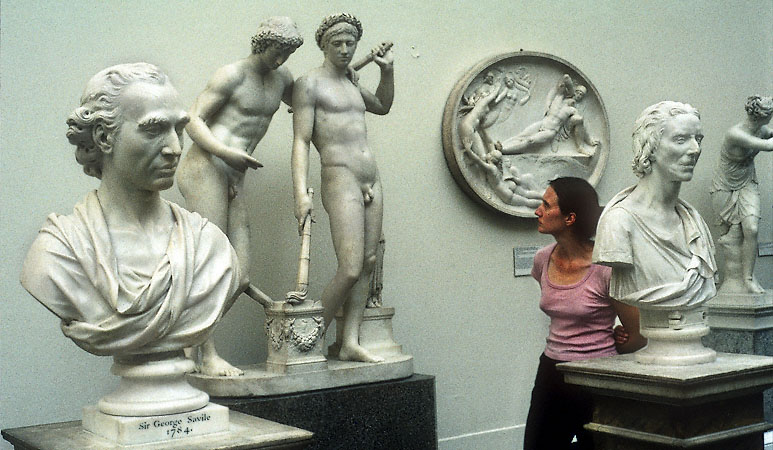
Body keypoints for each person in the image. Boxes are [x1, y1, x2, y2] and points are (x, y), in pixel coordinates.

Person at [21, 63, 243, 358]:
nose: (175, 148)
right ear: (103, 137)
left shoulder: (209, 247)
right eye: (154, 130)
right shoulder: (56, 253)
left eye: (178, 129)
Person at [176, 17, 303, 376]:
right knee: (210, 262)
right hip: (206, 167)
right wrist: (225, 152)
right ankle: (206, 353)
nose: (281, 59)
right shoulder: (231, 74)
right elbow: (192, 119)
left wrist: (343, 74)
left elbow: (309, 103)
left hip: (234, 176)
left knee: (240, 271)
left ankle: (188, 342)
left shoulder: (283, 79)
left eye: (288, 53)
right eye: (278, 51)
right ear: (262, 43)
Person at [291, 13, 394, 363]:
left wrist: (387, 71)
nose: (345, 49)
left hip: (371, 176)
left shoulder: (352, 82)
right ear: (323, 45)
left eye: (350, 43)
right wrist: (300, 192)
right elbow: (301, 141)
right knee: (349, 266)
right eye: (337, 43)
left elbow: (382, 106)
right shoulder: (309, 84)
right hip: (339, 175)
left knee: (367, 262)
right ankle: (307, 340)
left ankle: (348, 340)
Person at [524, 177, 645, 450]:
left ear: (570, 218)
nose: (537, 211)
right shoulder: (542, 259)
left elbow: (638, 336)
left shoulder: (606, 267)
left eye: (546, 205)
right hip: (551, 373)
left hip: (597, 377)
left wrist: (619, 338)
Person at [710, 96, 773, 294]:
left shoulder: (761, 130)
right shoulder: (735, 134)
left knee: (751, 228)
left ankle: (748, 279)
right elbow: (769, 145)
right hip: (725, 185)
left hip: (747, 182)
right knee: (729, 237)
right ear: (762, 116)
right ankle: (732, 281)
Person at [498, 74, 599, 155]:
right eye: (578, 92)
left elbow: (581, 125)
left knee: (530, 140)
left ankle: (504, 151)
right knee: (522, 135)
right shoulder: (559, 97)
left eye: (581, 95)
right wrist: (571, 92)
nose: (579, 96)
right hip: (542, 123)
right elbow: (566, 77)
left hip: (550, 131)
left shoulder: (572, 111)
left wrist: (589, 140)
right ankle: (501, 146)